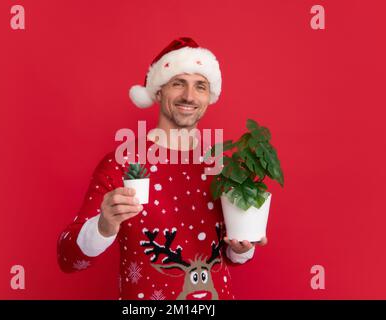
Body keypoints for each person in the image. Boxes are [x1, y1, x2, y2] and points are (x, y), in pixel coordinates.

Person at [57, 37, 267, 300]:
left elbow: (232, 258)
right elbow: (68, 259)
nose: (189, 96)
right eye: (178, 83)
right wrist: (103, 227)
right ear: (158, 92)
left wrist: (242, 247)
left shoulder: (223, 166)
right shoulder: (122, 163)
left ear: (209, 96)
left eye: (200, 86)